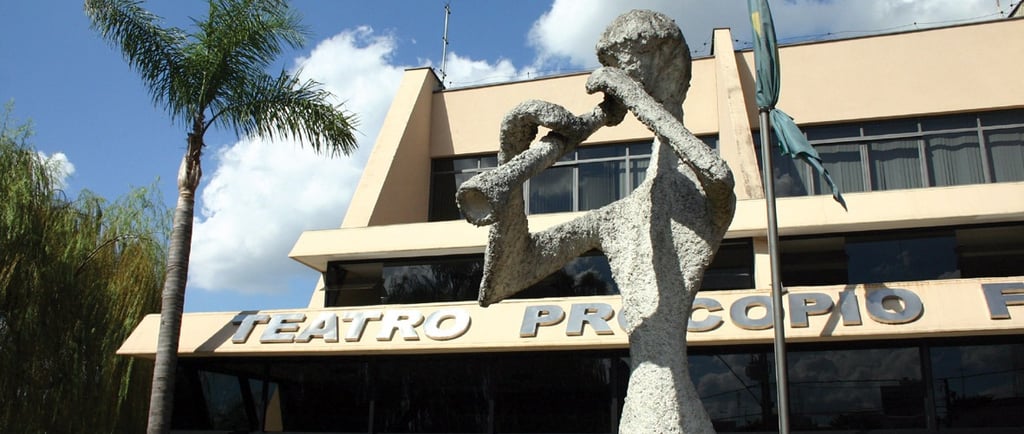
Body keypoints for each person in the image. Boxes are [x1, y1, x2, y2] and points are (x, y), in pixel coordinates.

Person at [457, 10, 735, 433]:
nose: (618, 74)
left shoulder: (696, 203)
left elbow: (717, 175)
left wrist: (637, 100)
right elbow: (506, 277)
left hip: (671, 409)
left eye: (632, 59)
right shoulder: (615, 219)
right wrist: (512, 148)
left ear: (669, 66)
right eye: (613, 65)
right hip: (642, 408)